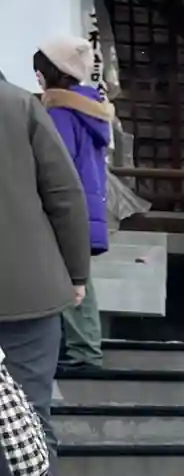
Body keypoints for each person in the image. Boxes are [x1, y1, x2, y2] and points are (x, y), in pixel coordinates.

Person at [0, 69, 91, 476]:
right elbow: (64, 193)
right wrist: (76, 273)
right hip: (27, 292)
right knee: (29, 419)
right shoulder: (20, 106)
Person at [35, 37, 113, 375]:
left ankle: (83, 351)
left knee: (68, 276)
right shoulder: (90, 109)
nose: (37, 78)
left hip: (65, 204)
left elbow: (55, 164)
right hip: (86, 205)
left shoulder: (60, 112)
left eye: (39, 71)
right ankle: (83, 347)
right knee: (77, 274)